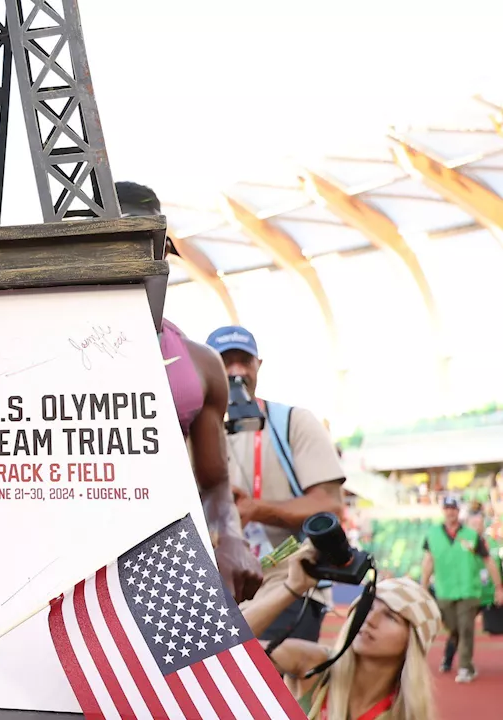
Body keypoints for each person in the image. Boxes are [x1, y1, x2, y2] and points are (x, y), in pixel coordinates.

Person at [117, 181, 263, 602]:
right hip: (65, 563)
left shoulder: (199, 363)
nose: (138, 261)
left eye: (150, 247)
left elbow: (215, 483)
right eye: (120, 244)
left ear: (164, 254)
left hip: (160, 560)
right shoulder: (41, 343)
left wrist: (231, 539)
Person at [207, 325, 346, 642]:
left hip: (287, 585)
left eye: (245, 360)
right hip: (214, 587)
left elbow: (329, 504)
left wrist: (256, 509)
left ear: (259, 366)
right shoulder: (187, 430)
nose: (236, 370)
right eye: (225, 361)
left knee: (274, 684)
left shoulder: (295, 422)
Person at [244, 542, 439, 720]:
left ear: (414, 640)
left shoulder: (404, 713)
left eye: (390, 616)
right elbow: (222, 647)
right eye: (367, 608)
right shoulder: (315, 666)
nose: (369, 619)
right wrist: (293, 588)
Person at [421, 497, 503, 683]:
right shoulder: (432, 534)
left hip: (469, 590)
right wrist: (423, 587)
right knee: (454, 628)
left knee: (466, 628)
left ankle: (465, 667)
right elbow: (428, 561)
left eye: (454, 509)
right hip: (444, 591)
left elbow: (488, 562)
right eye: (447, 508)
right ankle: (459, 661)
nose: (451, 512)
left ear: (459, 512)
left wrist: (499, 587)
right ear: (443, 511)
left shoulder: (472, 535)